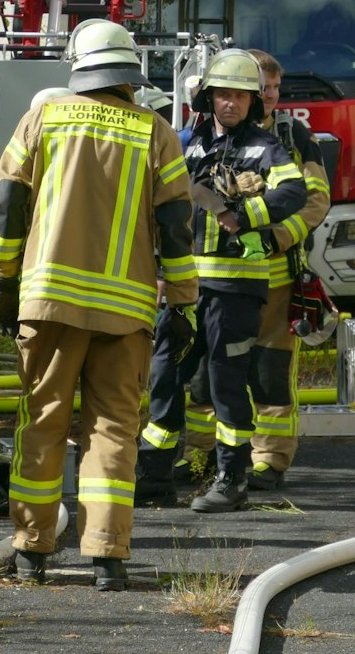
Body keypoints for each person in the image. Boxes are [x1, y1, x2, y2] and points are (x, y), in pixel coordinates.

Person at [0, 19, 194, 591]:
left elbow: (9, 209)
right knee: (113, 430)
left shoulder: (44, 119)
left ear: (79, 66)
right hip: (125, 312)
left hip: (49, 304)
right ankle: (107, 557)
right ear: (129, 70)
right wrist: (182, 302)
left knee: (43, 422)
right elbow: (177, 228)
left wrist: (3, 281)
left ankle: (32, 551)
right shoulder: (155, 132)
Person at [140, 49, 308, 515]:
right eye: (222, 95)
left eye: (239, 96)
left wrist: (244, 213)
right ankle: (154, 475)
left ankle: (232, 481)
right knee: (166, 374)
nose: (230, 104)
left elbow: (297, 191)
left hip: (236, 287)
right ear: (208, 97)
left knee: (226, 380)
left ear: (253, 101)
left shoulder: (266, 147)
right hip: (184, 285)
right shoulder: (189, 143)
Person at [241, 49, 330, 490]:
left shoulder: (293, 134)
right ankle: (205, 455)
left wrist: (281, 237)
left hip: (277, 272)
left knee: (270, 369)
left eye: (275, 87)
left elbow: (316, 199)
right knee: (209, 370)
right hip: (222, 274)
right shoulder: (215, 129)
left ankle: (270, 461)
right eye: (263, 87)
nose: (271, 95)